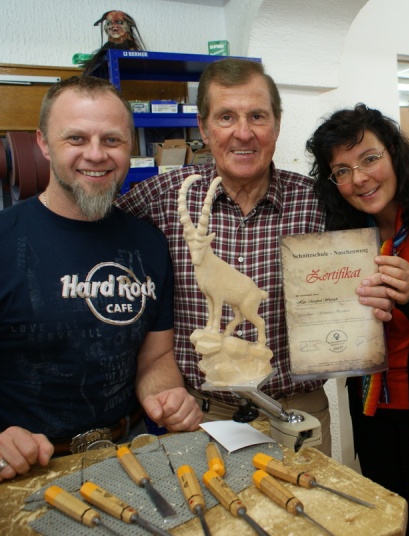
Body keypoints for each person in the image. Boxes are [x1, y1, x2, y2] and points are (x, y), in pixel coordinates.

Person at [115, 59, 394, 456]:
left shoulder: (322, 202)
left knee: (309, 500)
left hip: (296, 415)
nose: (243, 132)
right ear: (204, 128)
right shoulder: (159, 197)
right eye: (226, 117)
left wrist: (390, 283)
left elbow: (387, 239)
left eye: (257, 116)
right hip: (199, 417)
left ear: (276, 125)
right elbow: (92, 229)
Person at [0, 76, 202, 485]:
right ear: (43, 143)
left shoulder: (149, 243)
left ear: (129, 146)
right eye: (76, 138)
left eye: (112, 140)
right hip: (22, 471)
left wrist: (165, 396)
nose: (96, 154)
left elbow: (155, 358)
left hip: (130, 452)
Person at [306, 103, 409, 535]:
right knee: (387, 522)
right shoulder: (342, 240)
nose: (359, 178)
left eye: (370, 158)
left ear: (396, 155)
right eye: (341, 171)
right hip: (374, 415)